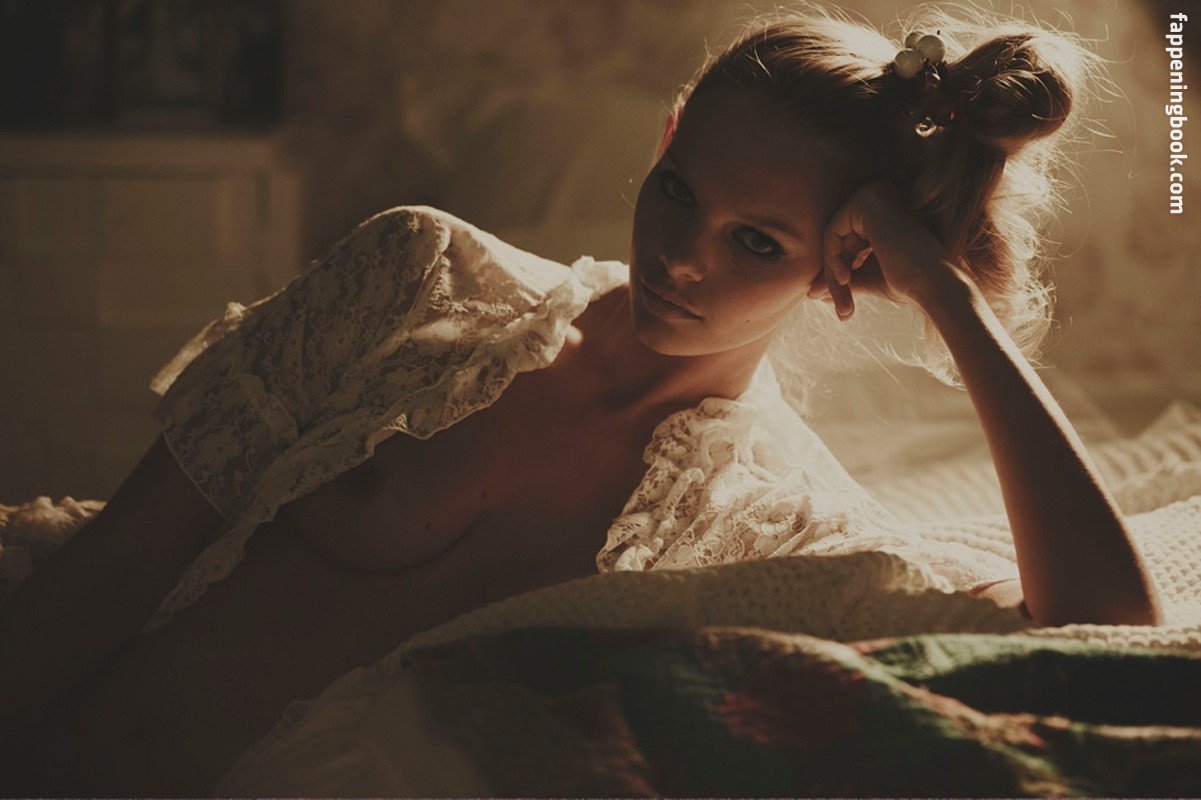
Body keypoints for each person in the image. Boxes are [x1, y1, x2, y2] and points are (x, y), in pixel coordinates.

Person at [0, 2, 1163, 794]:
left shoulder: (770, 520)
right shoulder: (417, 274)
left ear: (843, 265)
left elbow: (1106, 629)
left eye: (756, 240)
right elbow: (127, 553)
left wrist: (946, 295)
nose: (681, 256)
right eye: (677, 189)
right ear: (665, 136)